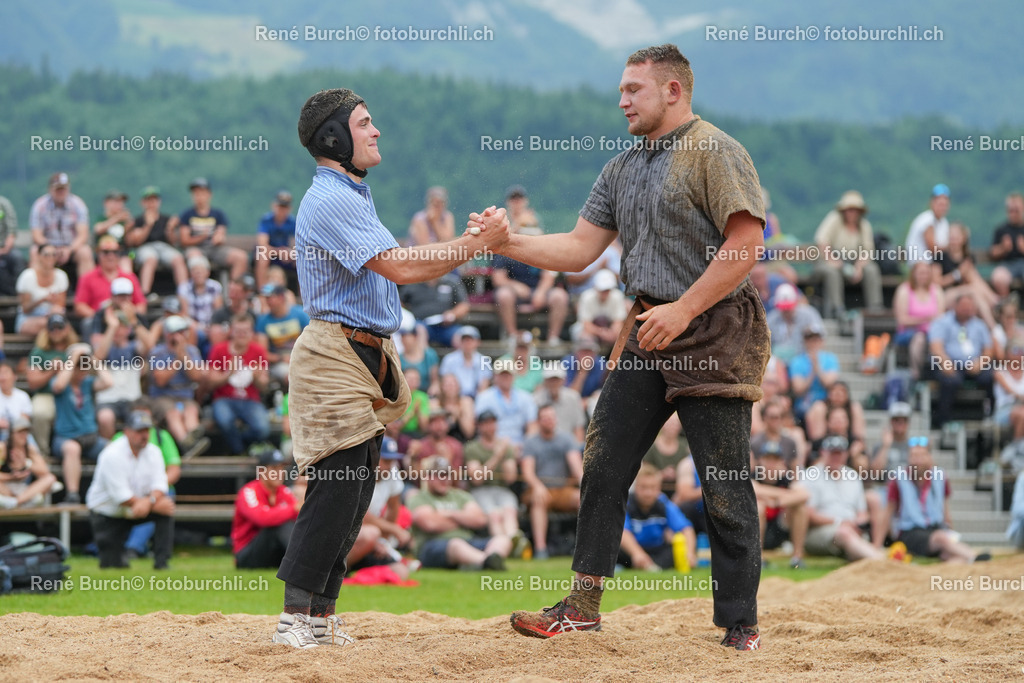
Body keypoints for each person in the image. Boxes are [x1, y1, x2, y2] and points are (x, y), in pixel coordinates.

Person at [489, 44, 768, 649]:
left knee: (721, 480)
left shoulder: (714, 151)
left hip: (714, 332)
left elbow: (745, 246)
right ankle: (584, 603)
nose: (621, 101)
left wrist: (684, 308)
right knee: (603, 457)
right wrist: (507, 243)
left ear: (673, 91)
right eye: (620, 91)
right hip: (647, 327)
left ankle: (739, 625)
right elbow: (577, 248)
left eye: (632, 90)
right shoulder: (622, 166)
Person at [272, 86, 509, 649]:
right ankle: (293, 619)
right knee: (336, 486)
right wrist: (474, 243)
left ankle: (321, 617)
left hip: (361, 351)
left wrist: (468, 241)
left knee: (356, 488)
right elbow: (402, 267)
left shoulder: (353, 194)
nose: (376, 131)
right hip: (335, 352)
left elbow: (400, 266)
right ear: (334, 137)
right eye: (364, 122)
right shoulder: (329, 199)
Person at [86, 410, 174, 569]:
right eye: (139, 431)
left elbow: (160, 484)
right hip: (108, 514)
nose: (144, 435)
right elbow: (121, 497)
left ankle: (162, 563)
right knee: (112, 566)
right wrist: (151, 503)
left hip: (138, 507)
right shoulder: (111, 454)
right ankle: (116, 556)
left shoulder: (154, 452)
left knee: (166, 509)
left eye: (147, 430)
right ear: (127, 431)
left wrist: (150, 501)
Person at [887, 441, 989, 563]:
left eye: (921, 456)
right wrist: (881, 543)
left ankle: (950, 573)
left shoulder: (939, 477)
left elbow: (945, 511)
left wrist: (949, 529)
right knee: (941, 539)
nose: (917, 461)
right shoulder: (899, 478)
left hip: (935, 528)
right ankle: (975, 557)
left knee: (953, 555)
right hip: (910, 533)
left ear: (929, 458)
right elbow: (888, 512)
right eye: (914, 456)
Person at [409, 455, 511, 571]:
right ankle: (486, 562)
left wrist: (449, 514)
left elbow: (480, 520)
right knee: (456, 544)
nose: (444, 479)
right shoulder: (418, 498)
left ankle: (482, 561)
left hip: (467, 541)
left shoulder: (461, 496)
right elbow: (430, 524)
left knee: (502, 539)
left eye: (447, 474)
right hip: (432, 546)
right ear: (427, 477)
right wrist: (464, 520)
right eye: (439, 475)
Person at [801, 435, 886, 561]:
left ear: (846, 455)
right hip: (819, 533)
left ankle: (875, 552)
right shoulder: (811, 475)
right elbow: (809, 515)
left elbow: (862, 513)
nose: (836, 457)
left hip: (851, 530)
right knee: (845, 533)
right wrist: (840, 522)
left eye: (839, 453)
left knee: (874, 500)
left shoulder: (852, 475)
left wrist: (858, 523)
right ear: (823, 453)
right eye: (832, 453)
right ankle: (881, 560)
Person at [52, 343, 112, 504]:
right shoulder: (60, 382)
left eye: (85, 365)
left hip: (90, 437)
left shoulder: (88, 383)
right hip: (66, 438)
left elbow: (108, 382)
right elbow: (58, 385)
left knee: (113, 450)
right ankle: (72, 494)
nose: (82, 369)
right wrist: (73, 357)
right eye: (79, 365)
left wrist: (91, 358)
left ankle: (112, 492)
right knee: (72, 449)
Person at [521, 405, 582, 560]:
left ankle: (583, 548)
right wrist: (537, 486)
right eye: (545, 418)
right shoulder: (530, 443)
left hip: (563, 490)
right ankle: (541, 549)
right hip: (538, 489)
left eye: (551, 417)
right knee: (538, 499)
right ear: (538, 421)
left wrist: (584, 484)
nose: (549, 421)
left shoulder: (567, 439)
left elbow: (576, 467)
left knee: (582, 499)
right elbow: (528, 473)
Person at [207, 314, 271, 456]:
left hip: (250, 400)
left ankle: (238, 447)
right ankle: (240, 451)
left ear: (251, 333)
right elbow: (210, 382)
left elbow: (264, 385)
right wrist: (229, 373)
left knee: (262, 428)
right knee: (225, 421)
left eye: (245, 331)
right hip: (224, 399)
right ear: (231, 331)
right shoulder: (219, 349)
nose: (241, 335)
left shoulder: (258, 351)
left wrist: (256, 377)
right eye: (238, 331)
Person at [928, 293, 994, 429]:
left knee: (991, 376)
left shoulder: (979, 325)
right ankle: (943, 420)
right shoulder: (943, 322)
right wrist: (946, 363)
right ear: (955, 306)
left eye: (970, 306)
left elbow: (988, 350)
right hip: (949, 363)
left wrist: (980, 363)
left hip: (974, 364)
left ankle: (990, 415)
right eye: (964, 306)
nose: (967, 309)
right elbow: (936, 347)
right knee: (950, 380)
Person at [813, 190, 883, 318]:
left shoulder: (864, 225)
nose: (852, 213)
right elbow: (822, 241)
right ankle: (837, 309)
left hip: (851, 262)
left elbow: (867, 250)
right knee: (832, 272)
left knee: (872, 269)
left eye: (855, 210)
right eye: (849, 209)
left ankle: (875, 308)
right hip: (828, 260)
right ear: (843, 210)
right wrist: (834, 261)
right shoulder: (834, 219)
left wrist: (859, 267)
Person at [618, 462, 696, 570]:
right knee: (613, 548)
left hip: (658, 549)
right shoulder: (627, 503)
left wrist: (690, 553)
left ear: (659, 488)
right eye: (643, 487)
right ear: (636, 487)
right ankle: (642, 565)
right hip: (632, 550)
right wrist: (637, 553)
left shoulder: (663, 503)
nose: (648, 493)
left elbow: (686, 528)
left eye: (652, 487)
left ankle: (651, 566)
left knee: (674, 550)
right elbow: (623, 532)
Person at [232, 446, 299, 569]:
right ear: (262, 471)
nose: (279, 473)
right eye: (274, 468)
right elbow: (262, 518)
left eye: (282, 468)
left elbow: (299, 517)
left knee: (295, 526)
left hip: (273, 552)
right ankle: (302, 562)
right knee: (277, 526)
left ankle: (311, 561)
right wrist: (293, 509)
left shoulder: (284, 492)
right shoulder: (249, 491)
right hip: (247, 554)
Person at [147, 315, 206, 452]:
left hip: (185, 397)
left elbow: (197, 377)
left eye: (182, 331)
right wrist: (178, 359)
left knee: (191, 411)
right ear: (168, 334)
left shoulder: (192, 351)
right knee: (174, 414)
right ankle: (186, 444)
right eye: (176, 332)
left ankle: (194, 441)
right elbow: (160, 381)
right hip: (163, 397)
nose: (180, 335)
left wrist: (184, 355)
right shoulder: (157, 353)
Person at [463, 410, 522, 545]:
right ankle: (504, 545)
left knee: (509, 511)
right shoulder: (472, 448)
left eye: (493, 423)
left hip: (502, 489)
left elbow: (510, 478)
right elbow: (477, 479)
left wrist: (507, 455)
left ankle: (513, 542)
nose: (490, 427)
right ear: (479, 426)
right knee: (494, 515)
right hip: (480, 491)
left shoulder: (506, 447)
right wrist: (497, 456)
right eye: (486, 423)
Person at [492, 247, 569, 346]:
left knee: (560, 296)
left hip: (538, 292)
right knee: (503, 295)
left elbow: (549, 277)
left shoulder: (543, 251)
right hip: (514, 294)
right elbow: (498, 279)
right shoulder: (505, 251)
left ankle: (553, 339)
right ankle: (512, 336)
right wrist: (516, 286)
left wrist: (540, 293)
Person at [25, 313, 78, 457]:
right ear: (46, 330)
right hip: (46, 394)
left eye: (60, 327)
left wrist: (67, 369)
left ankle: (76, 449)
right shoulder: (39, 352)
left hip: (70, 394)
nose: (56, 331)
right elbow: (32, 383)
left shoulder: (75, 351)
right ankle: (42, 453)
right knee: (40, 413)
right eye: (52, 328)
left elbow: (85, 377)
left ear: (67, 329)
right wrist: (51, 371)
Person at [73, 235, 147, 332]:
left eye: (115, 252)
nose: (111, 256)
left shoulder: (129, 277)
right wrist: (100, 317)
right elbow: (80, 306)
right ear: (98, 254)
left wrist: (129, 313)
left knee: (140, 322)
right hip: (99, 321)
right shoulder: (87, 278)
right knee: (88, 323)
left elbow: (141, 305)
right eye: (106, 252)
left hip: (126, 322)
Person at [752, 445, 808, 569]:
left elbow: (805, 495)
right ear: (760, 461)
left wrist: (776, 502)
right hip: (757, 529)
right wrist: (785, 495)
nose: (771, 463)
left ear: (781, 462)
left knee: (800, 508)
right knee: (759, 507)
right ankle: (757, 558)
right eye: (768, 459)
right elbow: (754, 490)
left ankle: (797, 558)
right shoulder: (753, 476)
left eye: (775, 460)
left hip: (780, 527)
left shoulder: (786, 479)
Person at [29, 172, 92, 277]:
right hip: (48, 246)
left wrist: (69, 249)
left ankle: (86, 290)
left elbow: (83, 235)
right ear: (50, 189)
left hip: (72, 248)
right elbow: (37, 235)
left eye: (63, 189)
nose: (61, 192)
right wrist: (51, 249)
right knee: (35, 251)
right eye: (58, 189)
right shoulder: (40, 205)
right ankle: (35, 289)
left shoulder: (78, 205)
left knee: (85, 252)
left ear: (68, 189)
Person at [935, 221, 998, 329]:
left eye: (955, 237)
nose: (953, 240)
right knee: (973, 290)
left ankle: (994, 322)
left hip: (966, 292)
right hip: (946, 295)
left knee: (974, 288)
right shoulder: (941, 256)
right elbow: (936, 283)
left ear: (963, 238)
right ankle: (996, 310)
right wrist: (958, 274)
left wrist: (964, 273)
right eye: (951, 237)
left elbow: (973, 280)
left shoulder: (967, 257)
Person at [127, 186, 186, 295]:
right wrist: (148, 225)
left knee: (178, 258)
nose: (151, 203)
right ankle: (145, 292)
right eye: (148, 200)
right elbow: (135, 242)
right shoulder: (138, 220)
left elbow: (174, 242)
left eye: (154, 200)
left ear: (159, 202)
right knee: (150, 258)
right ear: (142, 203)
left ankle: (184, 292)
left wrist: (170, 229)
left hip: (164, 247)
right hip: (145, 247)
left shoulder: (167, 219)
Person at [893, 260, 945, 378]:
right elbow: (902, 320)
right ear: (914, 274)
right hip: (908, 333)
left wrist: (929, 322)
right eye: (921, 273)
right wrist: (927, 319)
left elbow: (941, 318)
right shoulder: (904, 290)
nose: (924, 276)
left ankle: (941, 374)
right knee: (919, 339)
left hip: (932, 333)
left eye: (926, 273)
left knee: (939, 339)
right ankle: (916, 373)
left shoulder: (936, 290)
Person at [255, 283, 309, 387]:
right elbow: (263, 352)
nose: (268, 301)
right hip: (280, 362)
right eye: (266, 298)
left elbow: (312, 340)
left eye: (270, 298)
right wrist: (281, 358)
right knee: (290, 375)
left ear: (281, 297)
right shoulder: (263, 321)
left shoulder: (300, 314)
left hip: (301, 356)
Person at [0, 417, 58, 510]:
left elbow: (45, 472)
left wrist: (27, 463)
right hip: (4, 489)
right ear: (12, 433)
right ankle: (21, 501)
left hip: (24, 490)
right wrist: (11, 477)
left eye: (26, 432)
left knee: (50, 479)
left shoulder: (30, 449)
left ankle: (17, 502)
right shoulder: (3, 448)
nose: (24, 436)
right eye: (20, 432)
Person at [474, 361, 538, 446]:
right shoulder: (484, 397)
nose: (506, 378)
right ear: (495, 376)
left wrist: (526, 445)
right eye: (502, 375)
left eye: (508, 375)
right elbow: (481, 427)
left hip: (521, 444)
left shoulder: (526, 397)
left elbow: (532, 426)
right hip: (493, 444)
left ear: (514, 376)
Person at [399, 273, 469, 348]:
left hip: (446, 326)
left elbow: (464, 305)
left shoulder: (452, 281)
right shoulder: (412, 282)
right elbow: (399, 303)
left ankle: (457, 359)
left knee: (463, 336)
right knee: (419, 331)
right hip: (420, 324)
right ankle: (425, 358)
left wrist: (453, 314)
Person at [15, 242, 69, 337]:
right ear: (39, 256)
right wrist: (43, 300)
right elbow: (25, 308)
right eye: (46, 254)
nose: (50, 257)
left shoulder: (61, 276)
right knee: (55, 326)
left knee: (55, 322)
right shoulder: (27, 276)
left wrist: (53, 307)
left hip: (52, 317)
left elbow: (61, 305)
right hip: (29, 318)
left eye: (54, 254)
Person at [789, 323, 840, 423]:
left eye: (817, 339)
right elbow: (798, 389)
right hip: (804, 405)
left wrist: (817, 367)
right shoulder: (797, 361)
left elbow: (829, 384)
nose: (813, 342)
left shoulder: (831, 359)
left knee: (819, 408)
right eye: (810, 339)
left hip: (826, 404)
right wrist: (812, 371)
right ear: (805, 341)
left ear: (822, 341)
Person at [765, 283, 824, 363]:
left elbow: (820, 336)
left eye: (789, 307)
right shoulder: (772, 318)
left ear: (796, 302)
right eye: (783, 308)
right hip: (778, 362)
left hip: (803, 360)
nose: (786, 310)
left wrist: (809, 334)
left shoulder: (808, 315)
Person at [533, 363, 586, 444]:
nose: (554, 383)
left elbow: (578, 428)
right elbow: (535, 428)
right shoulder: (536, 399)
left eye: (556, 379)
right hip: (544, 444)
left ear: (563, 380)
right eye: (550, 380)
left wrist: (578, 449)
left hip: (569, 446)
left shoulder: (573, 398)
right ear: (545, 381)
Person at [255, 191, 297, 289]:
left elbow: (296, 244)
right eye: (280, 206)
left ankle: (302, 295)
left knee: (302, 259)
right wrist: (279, 252)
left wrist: (290, 253)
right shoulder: (266, 220)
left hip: (285, 255)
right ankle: (262, 291)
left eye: (285, 207)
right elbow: (262, 245)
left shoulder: (292, 222)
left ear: (289, 209)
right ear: (274, 206)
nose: (282, 210)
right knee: (263, 256)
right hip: (270, 254)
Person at [574, 269, 626, 347]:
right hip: (591, 331)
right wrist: (602, 333)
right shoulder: (586, 297)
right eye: (603, 289)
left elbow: (618, 321)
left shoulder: (617, 296)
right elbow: (586, 324)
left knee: (621, 335)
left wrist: (612, 332)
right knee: (585, 337)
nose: (605, 292)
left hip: (608, 329)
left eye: (607, 289)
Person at [438, 326, 492, 399]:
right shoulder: (449, 359)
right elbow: (446, 384)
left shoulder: (484, 360)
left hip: (476, 398)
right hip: (454, 399)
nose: (467, 343)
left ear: (478, 342)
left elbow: (484, 386)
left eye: (470, 340)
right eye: (465, 340)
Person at [988, 192, 1024, 298]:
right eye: (1010, 210)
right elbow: (993, 253)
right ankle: (1007, 307)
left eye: (1016, 210)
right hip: (1007, 264)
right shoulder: (1001, 229)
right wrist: (1003, 248)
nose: (1013, 214)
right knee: (999, 278)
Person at [905, 184, 951, 262]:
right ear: (932, 203)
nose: (942, 208)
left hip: (932, 262)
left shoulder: (943, 222)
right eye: (940, 204)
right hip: (921, 263)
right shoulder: (927, 220)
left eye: (944, 205)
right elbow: (933, 249)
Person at [642, 412, 689, 486]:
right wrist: (662, 474)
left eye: (675, 424)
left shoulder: (685, 446)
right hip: (656, 488)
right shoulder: (651, 446)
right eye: (669, 423)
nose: (672, 427)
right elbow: (645, 471)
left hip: (680, 487)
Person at [870, 401, 914, 477]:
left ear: (908, 422)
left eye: (904, 420)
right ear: (890, 421)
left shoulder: (914, 446)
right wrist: (885, 447)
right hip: (887, 486)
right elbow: (874, 474)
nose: (900, 423)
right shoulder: (880, 445)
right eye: (896, 420)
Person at [0, 193, 24, 297]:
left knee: (17, 257)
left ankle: (18, 295)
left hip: (5, 248)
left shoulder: (3, 204)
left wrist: (5, 249)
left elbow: (11, 231)